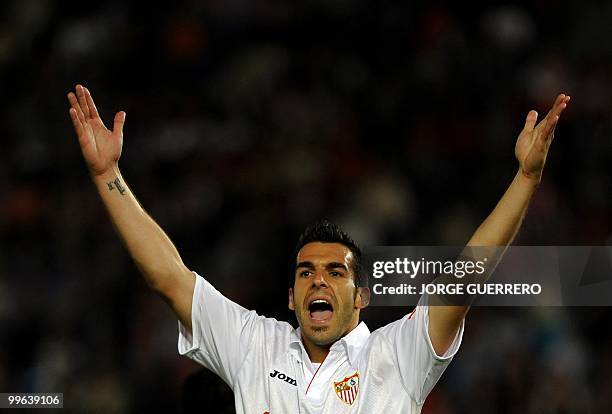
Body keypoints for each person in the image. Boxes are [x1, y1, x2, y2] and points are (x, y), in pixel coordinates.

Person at [67, 84, 570, 413]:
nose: (319, 280)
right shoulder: (253, 346)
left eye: (335, 271)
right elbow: (167, 276)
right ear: (291, 297)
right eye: (306, 273)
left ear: (362, 296)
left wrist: (526, 179)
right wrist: (109, 177)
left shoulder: (396, 354)